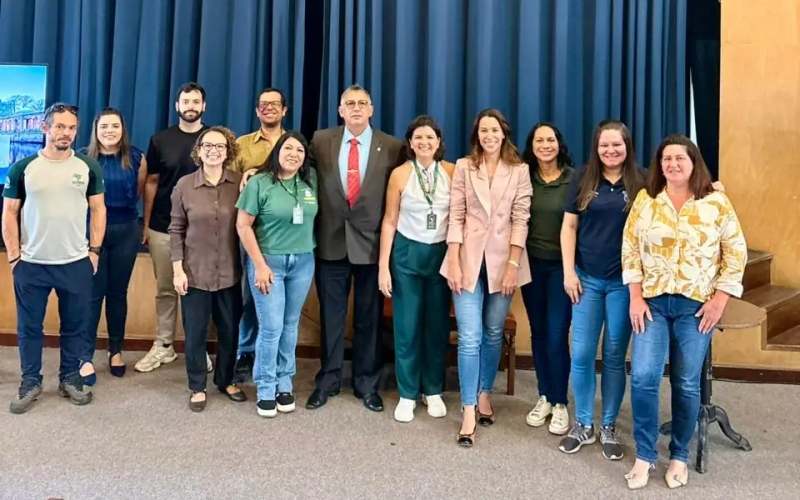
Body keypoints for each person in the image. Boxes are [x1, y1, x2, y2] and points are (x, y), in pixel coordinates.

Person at [621, 135, 747, 489]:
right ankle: (645, 454)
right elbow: (630, 249)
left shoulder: (716, 202)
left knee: (687, 382)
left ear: (694, 163)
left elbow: (735, 253)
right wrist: (634, 296)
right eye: (666, 159)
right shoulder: (646, 200)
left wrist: (720, 300)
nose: (672, 164)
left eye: (680, 158)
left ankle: (678, 455)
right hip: (652, 303)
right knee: (644, 377)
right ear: (659, 165)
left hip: (697, 306)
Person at [305, 84, 405, 413]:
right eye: (350, 103)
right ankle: (328, 380)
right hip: (331, 242)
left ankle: (366, 383)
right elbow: (294, 169)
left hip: (372, 247)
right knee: (331, 318)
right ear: (340, 110)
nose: (357, 108)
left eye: (363, 103)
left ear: (372, 110)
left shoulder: (391, 146)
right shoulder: (321, 140)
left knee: (368, 319)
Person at [2, 103, 106, 413]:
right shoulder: (23, 167)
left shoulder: (88, 167)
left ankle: (70, 378)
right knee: (29, 327)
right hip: (31, 264)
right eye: (59, 126)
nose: (66, 133)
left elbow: (99, 209)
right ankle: (30, 381)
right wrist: (13, 257)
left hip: (75, 263)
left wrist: (94, 251)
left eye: (71, 128)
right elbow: (9, 212)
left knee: (75, 325)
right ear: (46, 128)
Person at [440, 108, 533, 447]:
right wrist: (452, 260)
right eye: (483, 131)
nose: (489, 136)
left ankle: (484, 393)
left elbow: (521, 218)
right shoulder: (465, 166)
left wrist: (513, 264)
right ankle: (467, 410)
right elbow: (456, 214)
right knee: (469, 335)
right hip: (466, 260)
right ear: (476, 135)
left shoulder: (520, 171)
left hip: (504, 263)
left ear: (503, 133)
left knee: (493, 332)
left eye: (494, 130)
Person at [558, 120, 646, 460]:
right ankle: (583, 424)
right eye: (604, 145)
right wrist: (568, 272)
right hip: (586, 280)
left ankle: (608, 426)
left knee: (612, 357)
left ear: (627, 146)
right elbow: (569, 225)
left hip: (624, 284)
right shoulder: (582, 178)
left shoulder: (642, 180)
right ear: (596, 148)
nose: (610, 151)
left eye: (617, 145)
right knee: (580, 355)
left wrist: (715, 188)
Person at [236, 131, 318, 418]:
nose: (294, 154)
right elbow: (243, 226)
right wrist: (259, 265)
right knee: (270, 327)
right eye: (288, 148)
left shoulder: (310, 181)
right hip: (268, 263)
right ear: (277, 151)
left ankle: (286, 381)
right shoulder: (259, 183)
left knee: (290, 324)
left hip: (304, 262)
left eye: (300, 150)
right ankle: (266, 385)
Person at [378, 115, 454, 423]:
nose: (424, 142)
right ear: (410, 143)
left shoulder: (452, 171)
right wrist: (383, 266)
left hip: (441, 255)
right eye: (418, 138)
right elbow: (389, 221)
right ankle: (407, 393)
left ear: (439, 143)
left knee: (436, 327)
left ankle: (432, 389)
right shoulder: (400, 174)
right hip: (407, 255)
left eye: (430, 138)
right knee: (407, 327)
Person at [169, 126, 246, 412]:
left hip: (229, 273)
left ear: (228, 152)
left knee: (229, 331)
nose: (214, 151)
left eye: (220, 146)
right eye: (208, 146)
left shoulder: (240, 183)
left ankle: (225, 380)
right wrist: (178, 271)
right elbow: (175, 229)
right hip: (194, 274)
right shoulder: (184, 186)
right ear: (198, 151)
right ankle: (197, 386)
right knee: (196, 333)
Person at [138, 82, 213, 374]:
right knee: (166, 289)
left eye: (196, 101)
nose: (191, 106)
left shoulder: (214, 139)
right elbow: (151, 183)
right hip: (162, 228)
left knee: (199, 292)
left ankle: (198, 347)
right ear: (177, 106)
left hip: (203, 233)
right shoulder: (160, 140)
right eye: (186, 101)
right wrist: (146, 225)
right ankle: (164, 346)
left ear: (203, 106)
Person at [82, 108, 147, 381]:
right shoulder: (82, 158)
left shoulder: (136, 157)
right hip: (90, 234)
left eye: (115, 126)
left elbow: (140, 191)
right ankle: (85, 355)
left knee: (117, 294)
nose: (109, 130)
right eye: (104, 126)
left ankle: (115, 350)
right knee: (92, 295)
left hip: (126, 231)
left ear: (123, 129)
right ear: (96, 130)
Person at [519, 122, 574, 436]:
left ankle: (560, 401)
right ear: (532, 145)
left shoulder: (574, 178)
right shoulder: (523, 176)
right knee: (538, 332)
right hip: (531, 266)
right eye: (539, 140)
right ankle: (544, 396)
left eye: (550, 139)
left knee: (556, 334)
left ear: (559, 143)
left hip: (561, 269)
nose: (545, 145)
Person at [232, 87, 287, 383]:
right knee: (249, 296)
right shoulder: (241, 145)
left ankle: (277, 356)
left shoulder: (294, 145)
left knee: (279, 302)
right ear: (256, 111)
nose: (268, 108)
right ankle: (246, 351)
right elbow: (229, 185)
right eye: (263, 105)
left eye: (274, 104)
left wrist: (260, 172)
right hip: (249, 234)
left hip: (286, 237)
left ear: (284, 110)